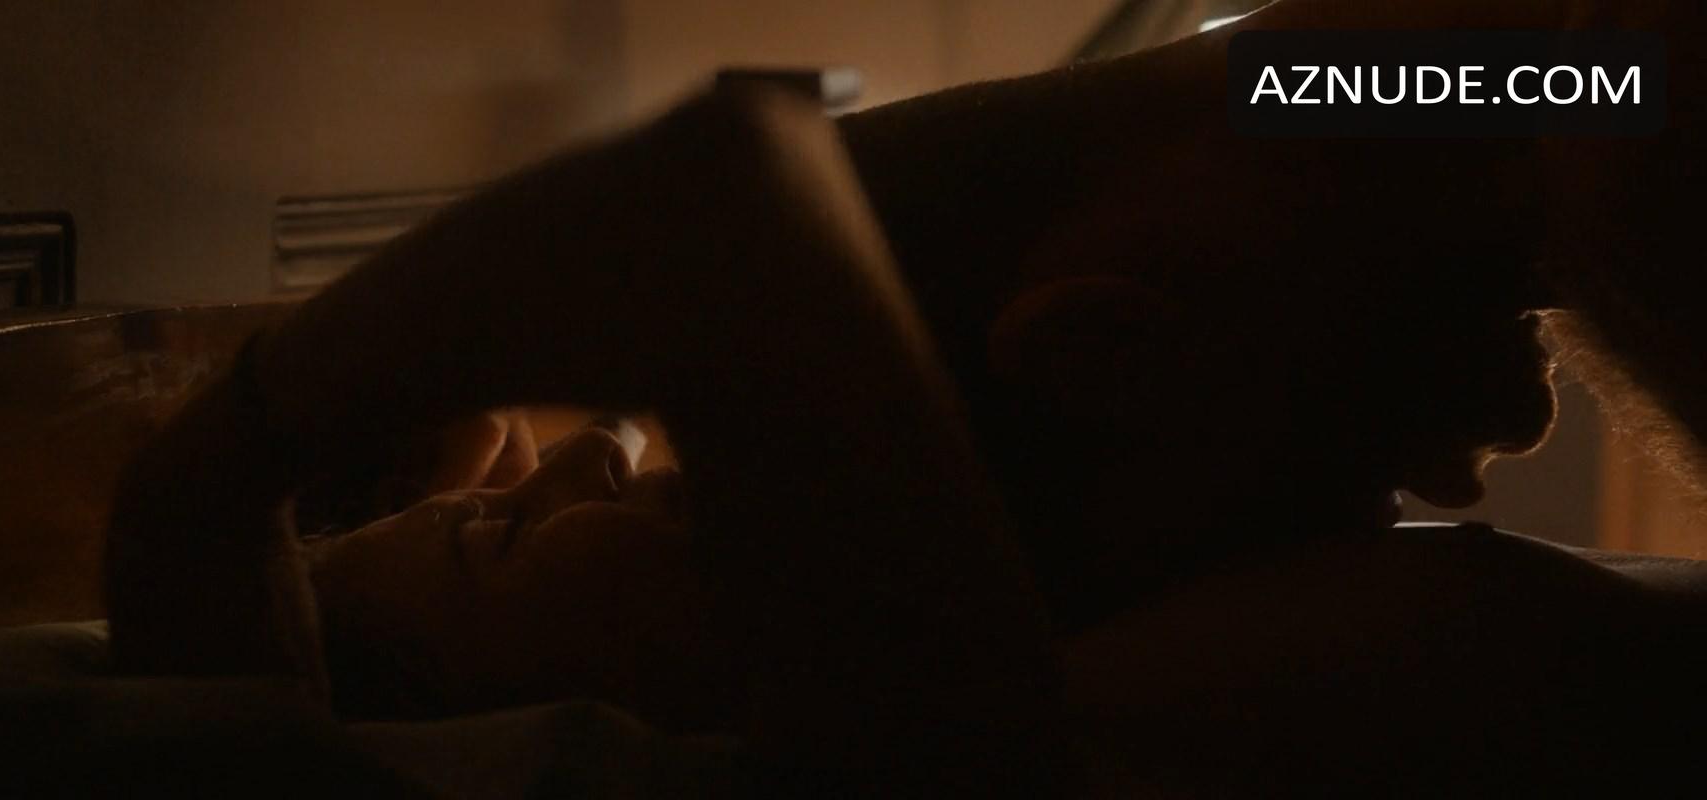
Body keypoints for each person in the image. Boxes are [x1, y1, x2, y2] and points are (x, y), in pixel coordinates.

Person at [107, 0, 1707, 794]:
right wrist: (218, 466)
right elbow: (728, 202)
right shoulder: (1427, 662)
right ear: (1102, 353)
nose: (585, 455)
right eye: (496, 537)